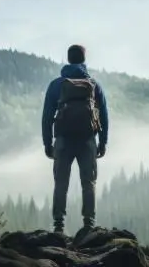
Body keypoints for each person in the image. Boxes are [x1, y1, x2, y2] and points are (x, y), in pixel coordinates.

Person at [41, 44, 109, 234]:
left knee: (61, 183)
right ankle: (89, 224)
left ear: (68, 59)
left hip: (63, 140)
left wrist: (47, 143)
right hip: (87, 140)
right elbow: (103, 115)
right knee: (88, 183)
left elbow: (47, 115)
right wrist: (102, 142)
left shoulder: (57, 85)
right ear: (83, 59)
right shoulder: (94, 85)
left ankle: (58, 226)